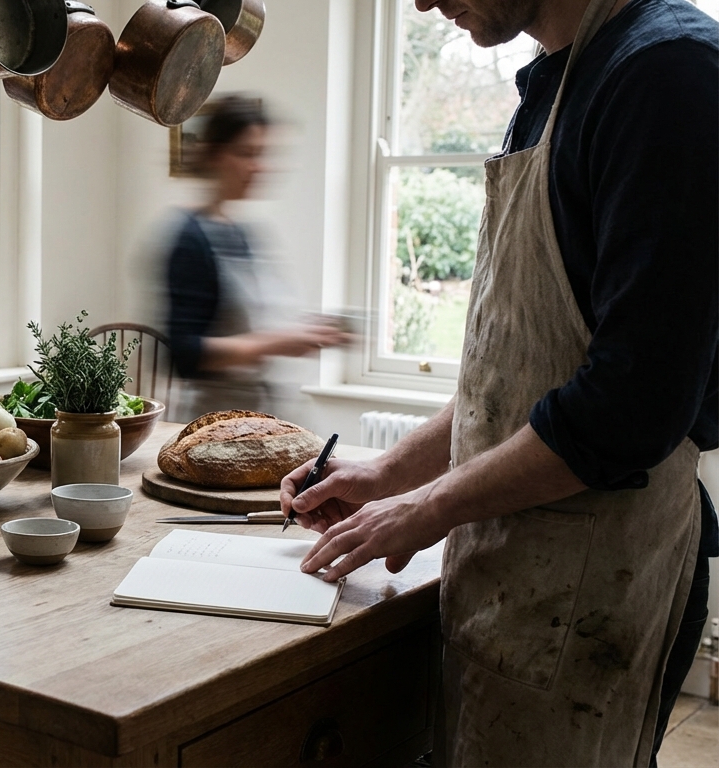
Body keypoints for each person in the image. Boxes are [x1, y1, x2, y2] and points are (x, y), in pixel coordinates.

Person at [280, 0, 717, 765]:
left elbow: (632, 406)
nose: (418, 2)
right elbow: (516, 372)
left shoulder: (668, 75)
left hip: (596, 585)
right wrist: (389, 474)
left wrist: (428, 505)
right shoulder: (552, 86)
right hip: (514, 576)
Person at [163, 96, 350, 420]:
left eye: (263, 154)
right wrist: (276, 342)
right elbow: (185, 353)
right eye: (246, 153)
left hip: (262, 417)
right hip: (216, 423)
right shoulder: (189, 239)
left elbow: (255, 323)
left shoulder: (245, 233)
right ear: (215, 155)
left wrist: (306, 331)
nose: (259, 166)